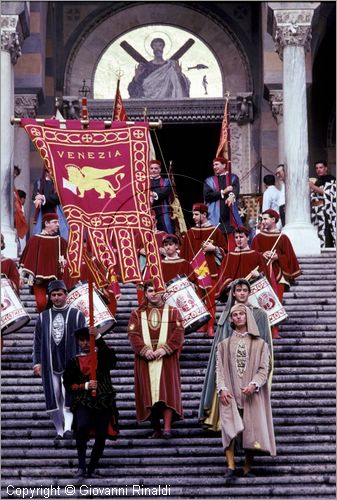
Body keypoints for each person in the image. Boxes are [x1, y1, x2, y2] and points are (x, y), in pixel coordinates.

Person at [199, 279, 272, 432]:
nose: (242, 293)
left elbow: (265, 342)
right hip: (230, 367)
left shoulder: (260, 315)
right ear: (234, 293)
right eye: (238, 290)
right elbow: (220, 345)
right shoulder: (227, 315)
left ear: (249, 292)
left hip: (252, 365)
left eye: (245, 290)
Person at [216, 303, 276, 479]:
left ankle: (247, 468)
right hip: (230, 393)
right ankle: (231, 466)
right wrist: (222, 388)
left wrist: (254, 384)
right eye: (235, 315)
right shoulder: (223, 345)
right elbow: (219, 370)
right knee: (228, 428)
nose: (238, 317)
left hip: (251, 395)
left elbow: (264, 369)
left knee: (251, 429)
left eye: (242, 314)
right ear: (232, 319)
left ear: (247, 317)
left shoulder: (261, 344)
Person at [127, 280, 184, 439]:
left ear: (163, 292)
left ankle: (166, 429)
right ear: (145, 293)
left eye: (157, 290)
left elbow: (179, 333)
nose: (154, 294)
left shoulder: (173, 312)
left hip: (167, 359)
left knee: (167, 394)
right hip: (145, 360)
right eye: (150, 290)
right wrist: (144, 351)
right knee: (149, 395)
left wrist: (164, 349)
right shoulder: (136, 314)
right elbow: (133, 335)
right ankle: (156, 429)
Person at [32, 280, 86, 441]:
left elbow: (84, 342)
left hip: (71, 364)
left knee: (68, 393)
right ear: (49, 296)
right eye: (53, 295)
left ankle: (68, 428)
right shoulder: (42, 318)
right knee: (53, 396)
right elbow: (37, 341)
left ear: (66, 295)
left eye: (59, 294)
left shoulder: (77, 315)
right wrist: (37, 362)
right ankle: (59, 430)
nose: (56, 298)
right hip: (49, 364)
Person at [63, 326, 119, 479]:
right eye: (82, 340)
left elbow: (112, 361)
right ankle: (81, 467)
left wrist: (99, 338)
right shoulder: (73, 361)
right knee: (82, 428)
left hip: (104, 399)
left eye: (89, 340)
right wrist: (85, 386)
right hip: (83, 400)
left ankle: (92, 468)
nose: (86, 343)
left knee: (101, 434)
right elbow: (68, 383)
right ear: (78, 342)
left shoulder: (103, 355)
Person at [251, 209, 301, 338]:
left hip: (279, 275)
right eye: (262, 219)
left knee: (276, 302)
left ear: (273, 220)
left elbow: (289, 256)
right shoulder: (258, 238)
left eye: (266, 219)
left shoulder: (282, 237)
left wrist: (278, 257)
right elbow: (253, 255)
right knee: (262, 302)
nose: (263, 221)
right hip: (262, 275)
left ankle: (275, 330)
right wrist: (262, 255)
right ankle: (264, 330)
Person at [180, 203, 226, 337]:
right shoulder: (189, 233)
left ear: (204, 215)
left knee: (211, 301)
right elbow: (184, 256)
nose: (193, 217)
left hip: (211, 271)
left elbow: (226, 252)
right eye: (193, 214)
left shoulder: (216, 231)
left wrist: (214, 249)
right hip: (194, 272)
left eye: (196, 214)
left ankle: (211, 326)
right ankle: (202, 324)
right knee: (199, 300)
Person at [19, 213, 67, 312]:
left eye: (58, 222)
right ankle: (43, 322)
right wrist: (21, 276)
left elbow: (69, 256)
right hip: (38, 280)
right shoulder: (34, 240)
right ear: (46, 223)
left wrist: (65, 261)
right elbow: (27, 259)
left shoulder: (60, 241)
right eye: (55, 222)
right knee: (41, 304)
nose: (58, 224)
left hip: (55, 281)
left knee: (54, 304)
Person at [216, 226, 268, 300]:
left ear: (247, 238)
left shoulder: (256, 255)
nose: (238, 240)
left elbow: (265, 275)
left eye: (241, 237)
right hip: (235, 296)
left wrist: (258, 275)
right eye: (236, 237)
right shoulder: (229, 257)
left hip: (254, 294)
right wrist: (230, 284)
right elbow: (223, 276)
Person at [203, 157, 242, 251]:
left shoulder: (233, 178)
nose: (214, 167)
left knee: (231, 245)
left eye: (217, 164)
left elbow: (236, 189)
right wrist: (223, 192)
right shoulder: (209, 180)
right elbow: (207, 196)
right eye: (213, 165)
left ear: (224, 165)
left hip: (229, 218)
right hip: (215, 217)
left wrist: (232, 196)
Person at [32, 165, 69, 240]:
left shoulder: (58, 183)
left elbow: (58, 197)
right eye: (49, 170)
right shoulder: (39, 182)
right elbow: (34, 196)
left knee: (59, 237)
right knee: (41, 237)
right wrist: (38, 199)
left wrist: (43, 197)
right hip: (43, 214)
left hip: (56, 213)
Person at [309, 161, 336, 248]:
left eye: (321, 167)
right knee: (316, 233)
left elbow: (328, 193)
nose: (318, 170)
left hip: (324, 210)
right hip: (315, 211)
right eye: (316, 168)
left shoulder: (330, 179)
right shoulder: (317, 181)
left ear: (326, 168)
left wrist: (313, 187)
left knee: (325, 232)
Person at [149, 159, 174, 234]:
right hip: (149, 209)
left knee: (166, 228)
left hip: (163, 209)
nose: (154, 170)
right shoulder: (144, 181)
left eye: (156, 168)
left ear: (159, 170)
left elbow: (165, 192)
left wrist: (152, 194)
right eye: (151, 168)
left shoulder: (167, 181)